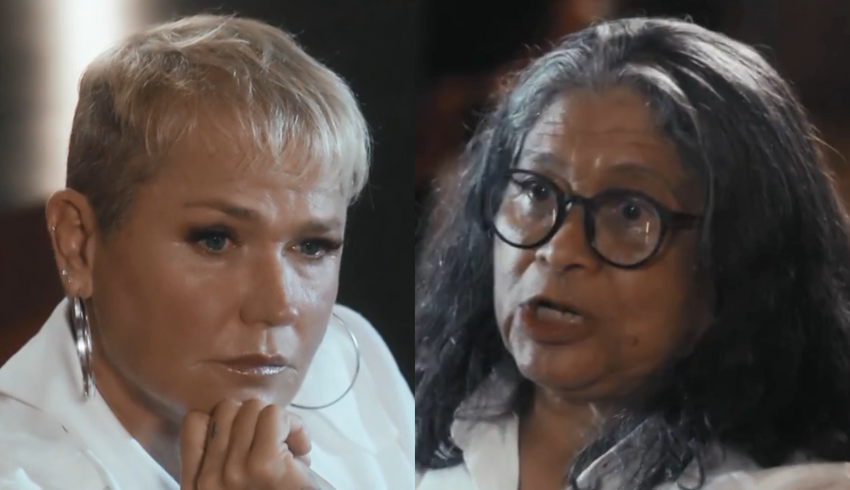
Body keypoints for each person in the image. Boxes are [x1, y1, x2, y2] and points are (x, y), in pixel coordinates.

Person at [415, 17, 850, 490]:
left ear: (738, 259)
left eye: (628, 212)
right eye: (537, 191)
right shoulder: (397, 413)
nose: (558, 250)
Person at [0, 14, 412, 490]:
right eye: (215, 239)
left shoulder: (350, 361)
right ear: (77, 244)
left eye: (311, 246)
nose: (278, 306)